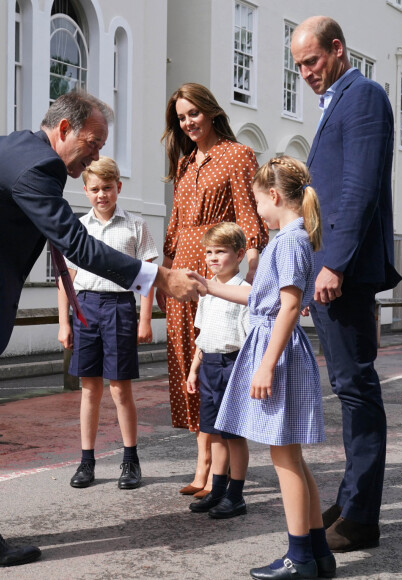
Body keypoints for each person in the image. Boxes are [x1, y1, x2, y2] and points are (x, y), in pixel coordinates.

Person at [0, 91, 203, 569]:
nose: (96, 154)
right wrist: (159, 277)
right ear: (65, 130)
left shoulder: (15, 148)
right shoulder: (38, 167)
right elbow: (76, 244)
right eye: (92, 143)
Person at [291, 16, 402, 552]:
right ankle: (351, 499)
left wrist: (331, 264)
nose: (306, 73)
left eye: (312, 61)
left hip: (345, 272)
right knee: (350, 388)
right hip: (335, 269)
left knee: (357, 391)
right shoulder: (340, 99)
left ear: (338, 49)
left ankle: (360, 516)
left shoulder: (364, 95)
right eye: (299, 66)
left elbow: (357, 189)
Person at [198, 156, 335, 580]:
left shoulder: (289, 241)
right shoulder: (288, 238)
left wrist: (266, 366)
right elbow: (263, 301)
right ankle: (316, 555)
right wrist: (207, 286)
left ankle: (299, 559)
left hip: (276, 352)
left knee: (284, 459)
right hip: (271, 345)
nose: (257, 211)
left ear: (274, 197)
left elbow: (290, 306)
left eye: (258, 203)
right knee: (290, 456)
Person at [158, 82, 269, 498]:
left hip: (215, 272)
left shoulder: (237, 155)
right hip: (180, 275)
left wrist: (254, 261)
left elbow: (249, 214)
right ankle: (202, 459)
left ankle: (214, 466)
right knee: (189, 366)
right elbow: (173, 225)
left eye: (193, 114)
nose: (187, 123)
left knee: (214, 364)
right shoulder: (186, 163)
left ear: (210, 111)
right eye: (181, 117)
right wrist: (164, 273)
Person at [57, 156, 158, 491]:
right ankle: (87, 461)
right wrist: (64, 323)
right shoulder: (78, 228)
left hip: (119, 307)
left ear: (119, 187)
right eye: (95, 189)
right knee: (90, 388)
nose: (102, 194)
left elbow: (147, 277)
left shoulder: (135, 226)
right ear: (85, 191)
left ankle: (130, 459)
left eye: (108, 188)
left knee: (119, 388)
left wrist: (145, 318)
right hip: (85, 307)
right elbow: (66, 281)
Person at [185, 223, 250, 519]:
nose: (212, 257)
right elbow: (203, 336)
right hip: (210, 365)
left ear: (238, 255)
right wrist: (194, 370)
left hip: (233, 365)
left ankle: (236, 496)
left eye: (220, 252)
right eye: (209, 251)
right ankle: (217, 490)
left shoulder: (245, 292)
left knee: (233, 435)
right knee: (212, 433)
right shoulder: (206, 291)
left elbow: (250, 339)